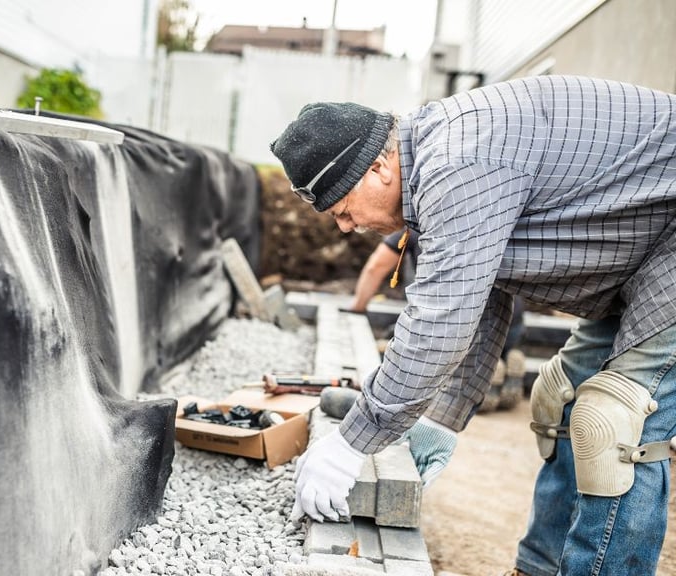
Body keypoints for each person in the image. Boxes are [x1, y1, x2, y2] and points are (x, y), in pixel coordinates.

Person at [269, 76, 676, 576]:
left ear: (377, 166)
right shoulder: (435, 169)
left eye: (343, 211)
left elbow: (441, 318)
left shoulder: (460, 161)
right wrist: (442, 418)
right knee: (564, 398)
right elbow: (481, 302)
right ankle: (540, 568)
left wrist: (354, 441)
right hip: (642, 254)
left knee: (616, 422)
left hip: (668, 247)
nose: (346, 227)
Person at [348, 228, 528, 412]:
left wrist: (358, 307)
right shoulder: (481, 220)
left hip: (465, 325)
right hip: (511, 319)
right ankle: (503, 358)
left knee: (418, 343)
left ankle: (481, 374)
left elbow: (375, 268)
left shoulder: (413, 228)